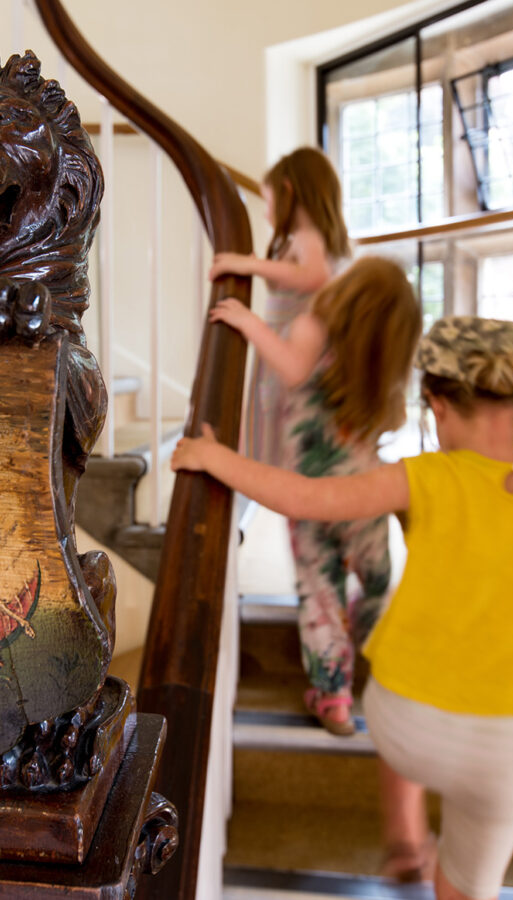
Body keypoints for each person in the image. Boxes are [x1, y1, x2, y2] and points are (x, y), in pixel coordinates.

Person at [170, 315, 513, 900]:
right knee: (469, 887)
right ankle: (439, 869)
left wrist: (213, 457)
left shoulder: (424, 476)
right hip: (503, 757)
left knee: (394, 699)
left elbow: (308, 497)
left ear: (436, 405)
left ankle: (406, 830)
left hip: (407, 724)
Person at [207, 255, 421, 734]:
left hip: (308, 492)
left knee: (320, 592)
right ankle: (375, 643)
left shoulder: (312, 327)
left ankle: (334, 698)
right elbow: (390, 421)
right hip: (365, 495)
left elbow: (292, 370)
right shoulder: (379, 362)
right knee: (377, 577)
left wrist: (247, 322)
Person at [209, 146, 350, 466]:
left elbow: (315, 275)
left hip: (293, 350)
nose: (266, 211)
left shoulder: (307, 236)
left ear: (288, 191)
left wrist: (251, 265)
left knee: (291, 438)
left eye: (269, 202)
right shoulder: (315, 239)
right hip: (285, 349)